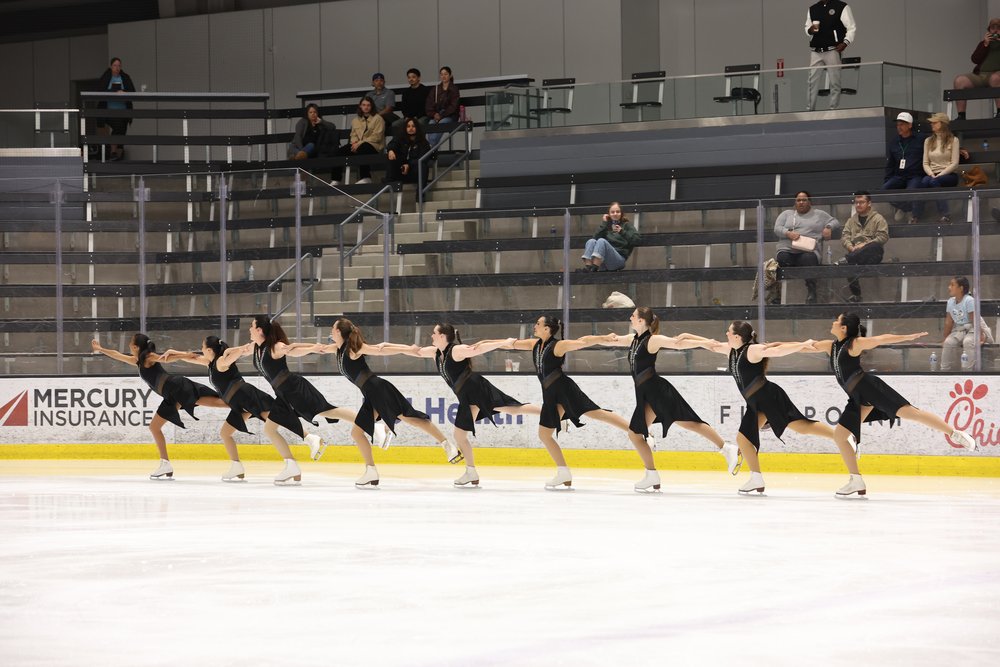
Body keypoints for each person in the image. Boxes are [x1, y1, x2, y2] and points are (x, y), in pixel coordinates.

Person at [801, 314, 979, 496]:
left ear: (844, 328)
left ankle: (955, 434)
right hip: (856, 397)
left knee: (911, 413)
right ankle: (856, 480)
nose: (833, 322)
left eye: (837, 320)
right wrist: (774, 347)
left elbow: (881, 338)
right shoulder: (830, 346)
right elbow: (804, 347)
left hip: (870, 388)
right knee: (840, 436)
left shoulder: (854, 344)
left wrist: (907, 337)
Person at [486, 316, 653, 491]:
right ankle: (563, 472)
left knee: (597, 413)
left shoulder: (558, 346)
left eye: (538, 324)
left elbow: (582, 342)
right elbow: (509, 344)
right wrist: (487, 344)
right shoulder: (533, 344)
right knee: (544, 434)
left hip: (565, 390)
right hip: (550, 394)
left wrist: (603, 338)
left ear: (547, 329)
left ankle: (641, 430)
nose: (534, 326)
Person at [677, 322, 843, 495]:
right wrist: (689, 335)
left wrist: (801, 344)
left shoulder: (752, 350)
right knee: (755, 437)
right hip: (756, 402)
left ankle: (840, 437)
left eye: (729, 331)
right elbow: (712, 344)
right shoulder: (732, 351)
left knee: (798, 427)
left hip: (768, 397)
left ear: (737, 336)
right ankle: (756, 479)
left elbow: (777, 351)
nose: (726, 333)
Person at [301, 318, 463, 488]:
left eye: (333, 329)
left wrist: (408, 349)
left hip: (379, 389)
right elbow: (317, 348)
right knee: (357, 433)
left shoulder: (354, 348)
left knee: (410, 418)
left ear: (340, 332)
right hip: (370, 394)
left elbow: (381, 350)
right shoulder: (337, 349)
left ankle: (447, 445)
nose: (331, 331)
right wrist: (289, 348)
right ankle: (371, 469)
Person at [228, 315, 389, 481]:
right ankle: (292, 466)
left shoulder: (276, 347)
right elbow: (238, 351)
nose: (249, 330)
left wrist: (313, 347)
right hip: (282, 394)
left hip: (294, 388)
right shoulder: (255, 347)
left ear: (259, 330)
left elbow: (294, 350)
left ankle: (375, 427)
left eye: (252, 327)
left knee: (329, 411)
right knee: (269, 429)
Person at [601, 308, 741, 477]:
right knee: (684, 424)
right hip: (647, 393)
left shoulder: (653, 340)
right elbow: (613, 341)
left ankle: (652, 473)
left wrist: (702, 343)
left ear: (641, 321)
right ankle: (726, 448)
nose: (630, 317)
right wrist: (591, 340)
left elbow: (678, 344)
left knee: (680, 424)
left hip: (657, 391)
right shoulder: (633, 339)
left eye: (633, 315)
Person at [166, 335, 324, 484]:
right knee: (225, 433)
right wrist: (174, 353)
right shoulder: (211, 363)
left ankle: (309, 440)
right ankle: (236, 467)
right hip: (239, 404)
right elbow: (192, 357)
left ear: (209, 350)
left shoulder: (221, 362)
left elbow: (233, 356)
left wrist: (242, 349)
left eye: (202, 347)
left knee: (278, 418)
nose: (200, 350)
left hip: (247, 397)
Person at [403, 323, 542, 487]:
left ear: (442, 336)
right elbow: (417, 352)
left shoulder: (455, 350)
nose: (431, 335)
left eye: (434, 333)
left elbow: (477, 349)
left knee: (511, 409)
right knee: (466, 432)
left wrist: (504, 342)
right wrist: (390, 348)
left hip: (476, 389)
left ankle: (553, 412)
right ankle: (471, 472)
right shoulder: (436, 352)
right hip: (466, 395)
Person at [90, 334, 228, 480]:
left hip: (175, 388)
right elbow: (117, 355)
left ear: (136, 347)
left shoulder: (148, 357)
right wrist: (101, 349)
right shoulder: (138, 360)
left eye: (130, 344)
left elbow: (165, 358)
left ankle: (165, 463)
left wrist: (183, 355)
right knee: (218, 403)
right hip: (173, 392)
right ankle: (243, 405)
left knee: (155, 427)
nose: (129, 346)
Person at [773, 190, 839, 304]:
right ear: (795, 202)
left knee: (808, 259)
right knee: (781, 259)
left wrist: (828, 227)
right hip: (787, 250)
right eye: (798, 200)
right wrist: (788, 233)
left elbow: (835, 221)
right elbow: (777, 229)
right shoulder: (786, 214)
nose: (801, 202)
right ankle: (777, 293)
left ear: (810, 202)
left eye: (804, 200)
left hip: (809, 251)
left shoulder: (819, 214)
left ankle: (812, 291)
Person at [804, 0, 856, 112]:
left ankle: (833, 110)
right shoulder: (813, 8)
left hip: (833, 49)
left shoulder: (841, 6)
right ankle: (809, 111)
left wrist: (845, 42)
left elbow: (851, 27)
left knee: (835, 82)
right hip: (816, 50)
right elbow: (807, 28)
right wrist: (810, 30)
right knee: (811, 82)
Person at [836, 191, 887, 303]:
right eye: (857, 202)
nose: (858, 205)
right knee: (851, 263)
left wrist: (864, 245)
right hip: (856, 254)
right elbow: (845, 237)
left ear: (869, 203)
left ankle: (848, 258)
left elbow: (883, 237)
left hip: (873, 255)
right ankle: (856, 295)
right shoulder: (851, 221)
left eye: (862, 202)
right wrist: (851, 248)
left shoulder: (878, 218)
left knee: (874, 246)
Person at [912, 112, 960, 224]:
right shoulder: (928, 141)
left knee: (932, 182)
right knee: (922, 183)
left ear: (942, 124)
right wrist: (931, 174)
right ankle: (916, 215)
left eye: (935, 122)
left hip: (949, 174)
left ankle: (945, 214)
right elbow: (925, 162)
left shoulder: (954, 140)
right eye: (931, 122)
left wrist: (939, 175)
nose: (932, 124)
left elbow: (955, 163)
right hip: (932, 174)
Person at [941, 276, 994, 370]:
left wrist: (980, 336)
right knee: (948, 343)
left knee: (968, 342)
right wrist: (945, 338)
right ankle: (944, 370)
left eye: (952, 285)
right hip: (960, 329)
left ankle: (968, 371)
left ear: (961, 288)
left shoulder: (969, 300)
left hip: (974, 328)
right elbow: (949, 321)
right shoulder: (950, 302)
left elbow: (975, 320)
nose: (949, 287)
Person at [330, 96, 385, 186]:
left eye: (368, 105)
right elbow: (353, 135)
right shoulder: (355, 120)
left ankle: (366, 177)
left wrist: (360, 143)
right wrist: (355, 143)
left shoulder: (378, 118)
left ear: (372, 106)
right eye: (364, 105)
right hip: (357, 145)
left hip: (374, 146)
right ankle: (336, 179)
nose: (366, 107)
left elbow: (377, 136)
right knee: (338, 152)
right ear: (360, 106)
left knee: (363, 148)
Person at [952, 19, 1000, 120]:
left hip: (997, 75)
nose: (995, 31)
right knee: (959, 80)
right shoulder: (983, 43)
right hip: (980, 75)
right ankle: (961, 115)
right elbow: (975, 59)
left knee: (996, 78)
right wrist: (985, 45)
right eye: (993, 28)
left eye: (998, 28)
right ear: (989, 30)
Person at [882, 112, 925, 222]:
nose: (899, 127)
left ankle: (915, 217)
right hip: (899, 175)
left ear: (910, 125)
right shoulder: (894, 142)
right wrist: (888, 179)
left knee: (913, 190)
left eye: (902, 124)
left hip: (915, 175)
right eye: (898, 125)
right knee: (884, 190)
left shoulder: (921, 139)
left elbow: (938, 144)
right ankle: (905, 208)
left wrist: (959, 149)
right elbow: (890, 163)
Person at [578, 202, 641, 272]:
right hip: (604, 261)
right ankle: (589, 267)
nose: (615, 214)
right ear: (609, 214)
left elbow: (637, 240)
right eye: (612, 212)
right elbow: (595, 238)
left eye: (618, 212)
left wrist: (622, 232)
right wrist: (604, 223)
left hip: (618, 260)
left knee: (602, 241)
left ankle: (594, 268)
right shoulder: (606, 226)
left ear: (621, 213)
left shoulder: (627, 225)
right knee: (591, 241)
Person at [96, 57, 136, 161]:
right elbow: (99, 90)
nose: (117, 68)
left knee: (122, 130)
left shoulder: (125, 77)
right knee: (118, 127)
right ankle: (113, 151)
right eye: (115, 65)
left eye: (119, 65)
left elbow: (132, 91)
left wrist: (124, 92)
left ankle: (118, 156)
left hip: (123, 110)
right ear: (111, 66)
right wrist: (113, 92)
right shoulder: (106, 77)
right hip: (109, 110)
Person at [385, 118, 431, 184]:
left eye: (413, 126)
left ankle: (420, 193)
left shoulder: (423, 142)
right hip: (401, 170)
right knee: (391, 156)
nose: (411, 128)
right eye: (408, 126)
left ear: (417, 128)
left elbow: (423, 159)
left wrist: (408, 165)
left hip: (414, 172)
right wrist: (390, 150)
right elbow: (392, 144)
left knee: (423, 166)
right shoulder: (400, 138)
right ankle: (389, 183)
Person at [425, 66, 460, 148]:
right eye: (441, 74)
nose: (443, 76)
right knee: (431, 123)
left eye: (446, 74)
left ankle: (430, 148)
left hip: (449, 116)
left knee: (442, 123)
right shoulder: (435, 89)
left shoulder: (454, 89)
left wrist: (441, 115)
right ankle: (433, 150)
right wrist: (434, 114)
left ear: (450, 75)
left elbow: (453, 106)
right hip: (436, 115)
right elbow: (429, 104)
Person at [392, 68, 430, 138]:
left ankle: (419, 143)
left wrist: (416, 117)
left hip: (422, 116)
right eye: (409, 77)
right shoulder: (406, 92)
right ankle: (400, 144)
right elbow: (403, 107)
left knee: (418, 123)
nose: (411, 79)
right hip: (408, 117)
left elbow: (426, 107)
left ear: (419, 78)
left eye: (413, 77)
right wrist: (407, 117)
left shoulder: (425, 90)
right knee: (395, 124)